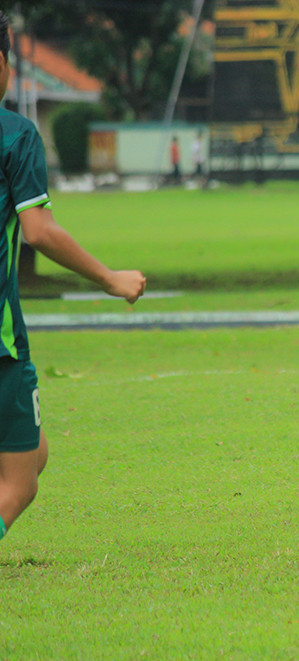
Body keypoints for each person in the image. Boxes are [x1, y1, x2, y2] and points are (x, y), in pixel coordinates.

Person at [0, 11, 147, 544]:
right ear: (2, 63)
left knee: (35, 451)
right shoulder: (14, 135)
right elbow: (36, 230)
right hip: (1, 343)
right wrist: (109, 278)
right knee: (19, 485)